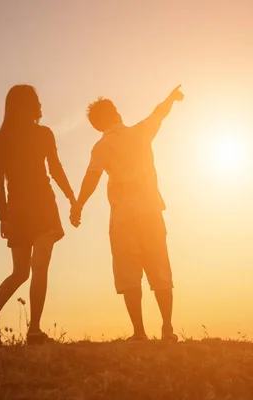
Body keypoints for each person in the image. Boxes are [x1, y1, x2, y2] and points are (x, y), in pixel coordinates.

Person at [70, 85, 184, 342]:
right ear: (117, 113)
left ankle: (139, 332)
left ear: (98, 126)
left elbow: (92, 177)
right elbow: (159, 113)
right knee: (160, 268)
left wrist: (78, 205)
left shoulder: (102, 146)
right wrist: (171, 97)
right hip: (151, 210)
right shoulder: (140, 132)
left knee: (129, 272)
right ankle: (167, 328)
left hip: (124, 216)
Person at [0, 84, 76, 345]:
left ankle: (34, 331)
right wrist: (2, 216)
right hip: (23, 209)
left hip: (37, 208)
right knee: (22, 272)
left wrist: (71, 197)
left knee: (37, 267)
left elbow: (55, 169)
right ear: (30, 105)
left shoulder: (41, 135)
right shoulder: (3, 141)